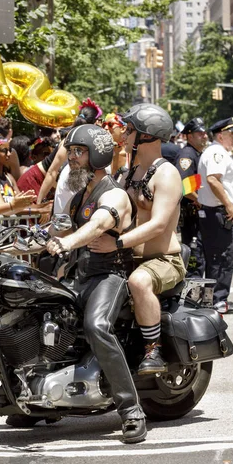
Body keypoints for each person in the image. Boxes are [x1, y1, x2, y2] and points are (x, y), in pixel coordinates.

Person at [44, 124, 147, 444]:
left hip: (109, 274)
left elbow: (100, 223)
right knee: (41, 316)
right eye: (70, 152)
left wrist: (69, 241)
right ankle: (38, 400)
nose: (71, 158)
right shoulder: (78, 197)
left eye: (78, 152)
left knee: (97, 325)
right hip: (80, 275)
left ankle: (131, 411)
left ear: (98, 155)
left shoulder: (114, 192)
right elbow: (56, 232)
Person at [89, 104, 186, 376]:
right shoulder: (129, 172)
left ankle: (153, 350)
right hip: (129, 257)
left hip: (163, 260)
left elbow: (158, 225)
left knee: (139, 281)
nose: (125, 134)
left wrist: (117, 244)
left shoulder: (167, 174)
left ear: (148, 135)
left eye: (131, 130)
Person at [197, 117, 233, 314]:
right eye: (231, 134)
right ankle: (219, 301)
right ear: (220, 135)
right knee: (223, 258)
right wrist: (228, 205)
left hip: (213, 212)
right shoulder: (217, 153)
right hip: (220, 212)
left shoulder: (214, 151)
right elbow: (213, 180)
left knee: (214, 258)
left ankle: (212, 300)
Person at [175, 117, 208, 278]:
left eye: (204, 132)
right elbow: (185, 187)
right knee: (195, 257)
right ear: (189, 136)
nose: (204, 135)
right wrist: (201, 201)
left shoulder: (196, 153)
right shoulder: (187, 155)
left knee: (200, 255)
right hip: (192, 216)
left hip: (197, 215)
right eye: (199, 133)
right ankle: (192, 297)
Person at [102, 113, 128, 178]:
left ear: (123, 129)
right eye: (104, 124)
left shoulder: (132, 155)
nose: (105, 128)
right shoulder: (101, 153)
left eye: (110, 124)